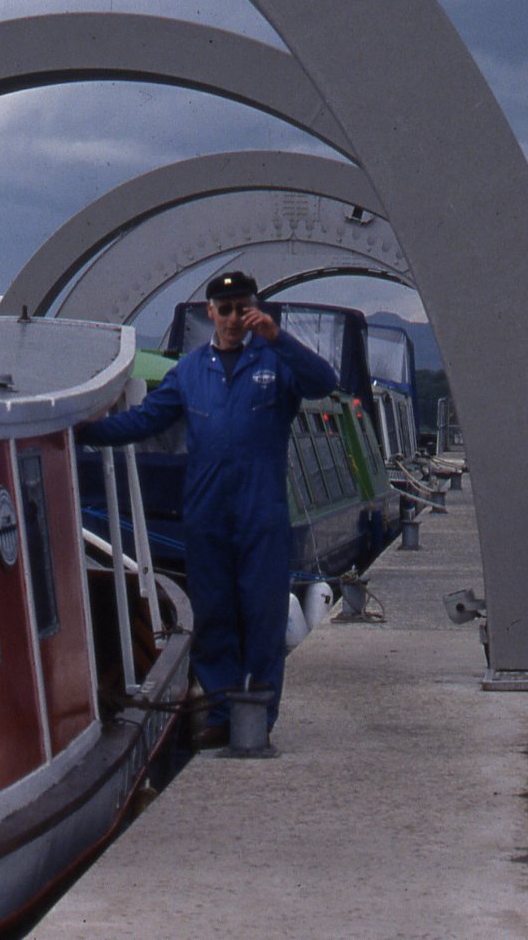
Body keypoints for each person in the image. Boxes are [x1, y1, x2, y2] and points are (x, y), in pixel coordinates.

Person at [75, 271, 337, 752]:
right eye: (226, 309)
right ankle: (219, 713)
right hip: (207, 514)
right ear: (210, 313)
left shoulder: (277, 366)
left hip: (262, 513)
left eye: (244, 308)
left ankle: (259, 716)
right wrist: (80, 431)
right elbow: (146, 420)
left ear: (256, 311)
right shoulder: (191, 371)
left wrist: (280, 339)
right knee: (215, 616)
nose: (235, 318)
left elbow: (325, 382)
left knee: (262, 617)